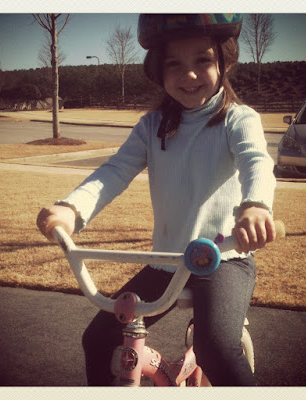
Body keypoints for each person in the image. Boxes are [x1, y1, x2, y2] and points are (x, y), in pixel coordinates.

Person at [37, 13, 277, 386]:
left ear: (224, 62)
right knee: (99, 338)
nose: (189, 74)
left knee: (215, 347)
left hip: (223, 260)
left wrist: (256, 206)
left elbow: (256, 161)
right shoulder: (152, 126)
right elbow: (115, 171)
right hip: (165, 263)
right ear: (158, 70)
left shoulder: (237, 119)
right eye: (173, 64)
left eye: (203, 60)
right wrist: (71, 209)